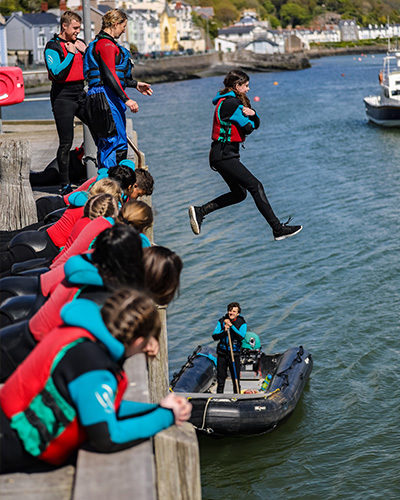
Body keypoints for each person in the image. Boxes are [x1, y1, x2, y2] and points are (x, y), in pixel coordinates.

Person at [0, 288, 191, 473]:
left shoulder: (81, 335)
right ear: (140, 340)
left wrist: (158, 408)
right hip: (14, 444)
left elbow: (102, 408)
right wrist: (166, 417)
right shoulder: (93, 366)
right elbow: (108, 438)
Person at [189, 70, 303, 241]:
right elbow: (249, 127)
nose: (249, 89)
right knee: (256, 186)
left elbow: (253, 123)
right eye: (246, 85)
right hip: (224, 155)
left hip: (224, 155)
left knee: (239, 194)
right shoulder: (232, 104)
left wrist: (253, 114)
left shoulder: (230, 102)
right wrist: (253, 115)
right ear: (237, 86)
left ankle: (200, 211)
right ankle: (277, 228)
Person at [84, 9, 153, 168]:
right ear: (115, 24)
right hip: (106, 98)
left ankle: (110, 184)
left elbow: (107, 75)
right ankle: (112, 186)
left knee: (110, 143)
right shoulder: (106, 45)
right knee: (114, 144)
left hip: (100, 95)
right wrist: (126, 99)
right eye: (123, 26)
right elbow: (109, 75)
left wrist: (135, 84)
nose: (124, 30)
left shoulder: (99, 43)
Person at [44, 11, 87, 195]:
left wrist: (87, 53)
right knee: (66, 142)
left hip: (80, 92)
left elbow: (91, 67)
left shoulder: (80, 43)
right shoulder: (52, 46)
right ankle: (65, 184)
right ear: (65, 26)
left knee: (100, 128)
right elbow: (56, 74)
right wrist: (70, 55)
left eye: (79, 28)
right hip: (63, 96)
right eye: (75, 28)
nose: (78, 31)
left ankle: (93, 171)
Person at [212, 302, 247, 394]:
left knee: (235, 378)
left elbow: (241, 336)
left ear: (238, 313)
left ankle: (237, 397)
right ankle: (219, 398)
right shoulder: (221, 321)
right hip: (222, 354)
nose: (231, 313)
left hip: (234, 354)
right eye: (230, 311)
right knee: (221, 378)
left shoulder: (242, 323)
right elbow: (214, 336)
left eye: (234, 311)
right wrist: (224, 330)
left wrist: (231, 327)